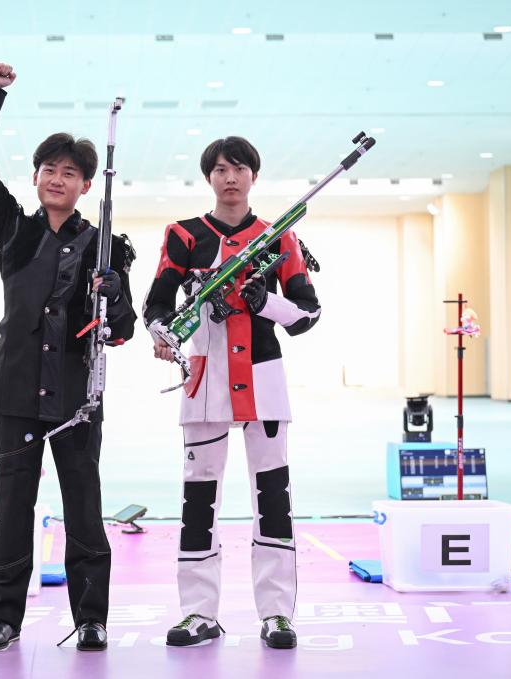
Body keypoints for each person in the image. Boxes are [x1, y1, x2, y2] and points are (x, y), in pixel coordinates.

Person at [0, 62, 137, 651]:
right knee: (14, 507)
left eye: (70, 172)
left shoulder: (106, 245)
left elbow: (123, 330)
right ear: (35, 177)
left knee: (84, 506)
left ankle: (91, 618)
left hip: (79, 396)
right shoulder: (14, 230)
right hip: (15, 392)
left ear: (86, 185)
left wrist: (114, 294)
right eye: (49, 169)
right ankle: (3, 618)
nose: (58, 179)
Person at [143, 137, 321, 649]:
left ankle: (277, 613)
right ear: (209, 177)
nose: (230, 178)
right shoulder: (184, 235)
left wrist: (265, 303)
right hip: (204, 381)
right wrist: (163, 335)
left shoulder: (278, 237)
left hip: (264, 384)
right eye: (220, 169)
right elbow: (156, 303)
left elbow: (307, 314)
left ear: (253, 176)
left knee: (273, 500)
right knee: (198, 501)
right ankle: (198, 612)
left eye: (239, 168)